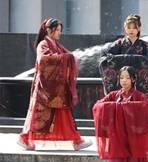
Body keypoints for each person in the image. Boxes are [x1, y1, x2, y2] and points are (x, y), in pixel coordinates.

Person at [17, 18, 92, 151]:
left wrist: (68, 57)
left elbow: (65, 56)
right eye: (56, 30)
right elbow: (45, 60)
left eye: (59, 30)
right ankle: (26, 139)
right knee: (38, 115)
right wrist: (66, 58)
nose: (58, 33)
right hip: (44, 88)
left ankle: (76, 140)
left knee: (64, 114)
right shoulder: (43, 44)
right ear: (48, 30)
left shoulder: (56, 45)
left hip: (56, 88)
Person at [99, 14, 148, 99]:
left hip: (139, 86)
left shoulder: (144, 46)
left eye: (134, 28)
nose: (131, 30)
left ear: (139, 28)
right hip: (121, 85)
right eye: (129, 27)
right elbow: (104, 56)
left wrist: (125, 59)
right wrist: (135, 59)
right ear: (125, 29)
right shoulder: (119, 44)